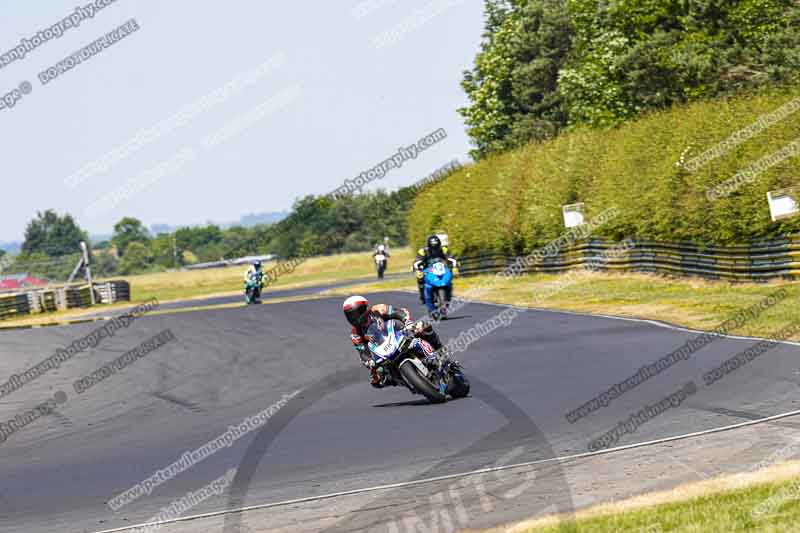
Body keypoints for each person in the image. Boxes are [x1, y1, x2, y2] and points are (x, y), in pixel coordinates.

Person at [342, 295, 443, 388]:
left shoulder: (378, 309)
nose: (354, 318)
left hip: (400, 332)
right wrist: (369, 361)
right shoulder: (355, 334)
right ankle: (404, 380)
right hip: (383, 351)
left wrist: (407, 322)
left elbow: (398, 312)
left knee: (422, 326)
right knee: (377, 379)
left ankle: (440, 349)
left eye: (356, 313)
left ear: (365, 308)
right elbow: (362, 352)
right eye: (350, 316)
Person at [412, 234, 458, 304]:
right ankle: (422, 296)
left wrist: (455, 267)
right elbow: (416, 261)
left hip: (442, 268)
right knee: (420, 279)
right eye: (433, 246)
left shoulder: (444, 249)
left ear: (439, 244)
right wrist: (417, 270)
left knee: (449, 276)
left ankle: (449, 292)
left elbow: (451, 258)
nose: (435, 249)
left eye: (436, 246)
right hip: (427, 269)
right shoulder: (423, 251)